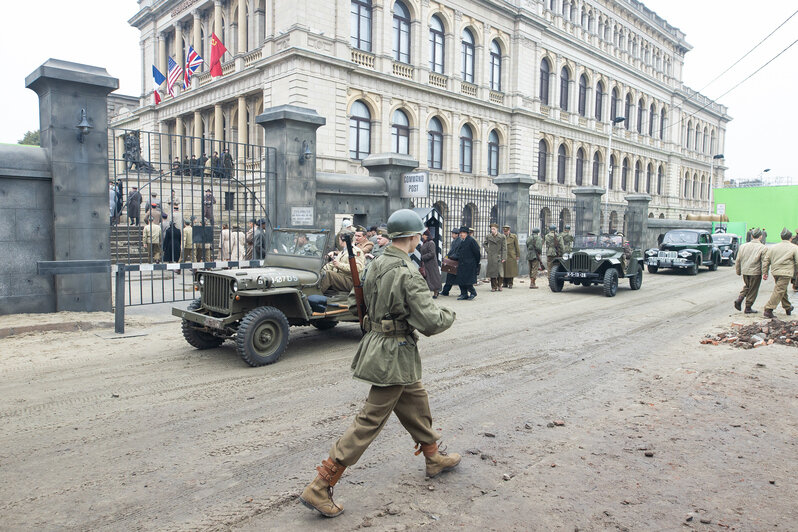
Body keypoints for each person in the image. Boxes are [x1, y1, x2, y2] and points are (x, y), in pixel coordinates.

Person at [299, 209, 458, 518]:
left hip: (383, 346)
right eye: (419, 235)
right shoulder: (407, 272)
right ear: (412, 237)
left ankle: (433, 456)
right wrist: (449, 315)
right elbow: (429, 321)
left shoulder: (376, 263)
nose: (420, 239)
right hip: (393, 353)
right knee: (369, 421)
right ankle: (321, 484)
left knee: (416, 399)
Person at [762, 227, 798, 318]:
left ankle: (788, 307)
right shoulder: (794, 248)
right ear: (790, 238)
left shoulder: (773, 247)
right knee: (779, 290)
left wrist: (765, 272)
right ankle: (768, 309)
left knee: (782, 289)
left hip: (775, 272)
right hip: (786, 273)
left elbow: (766, 260)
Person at [734, 228, 766, 314]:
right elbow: (764, 262)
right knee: (753, 289)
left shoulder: (743, 246)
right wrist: (765, 272)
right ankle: (748, 307)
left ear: (751, 236)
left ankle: (740, 298)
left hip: (745, 271)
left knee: (747, 286)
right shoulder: (763, 248)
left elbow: (738, 260)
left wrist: (738, 270)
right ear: (760, 236)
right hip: (755, 272)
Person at [455, 226, 481, 300]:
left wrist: (475, 263)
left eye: (462, 233)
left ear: (466, 233)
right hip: (462, 264)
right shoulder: (462, 241)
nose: (461, 234)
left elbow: (477, 253)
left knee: (468, 281)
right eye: (460, 233)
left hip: (470, 264)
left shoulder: (471, 241)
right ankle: (464, 294)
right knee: (460, 280)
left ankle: (473, 292)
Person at [484, 223, 507, 292]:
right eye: (491, 229)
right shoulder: (488, 236)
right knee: (492, 272)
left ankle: (500, 285)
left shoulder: (502, 237)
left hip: (499, 256)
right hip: (491, 256)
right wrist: (488, 251)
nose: (492, 230)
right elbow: (485, 244)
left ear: (497, 229)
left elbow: (504, 248)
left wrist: (504, 257)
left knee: (500, 272)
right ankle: (494, 286)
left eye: (494, 229)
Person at [420, 230, 442, 298]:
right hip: (426, 263)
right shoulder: (425, 242)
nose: (422, 236)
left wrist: (423, 257)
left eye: (423, 235)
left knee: (433, 279)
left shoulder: (431, 243)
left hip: (431, 264)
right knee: (427, 279)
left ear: (426, 235)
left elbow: (432, 253)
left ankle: (436, 292)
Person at [439, 229, 461, 297]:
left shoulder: (459, 241)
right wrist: (447, 256)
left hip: (456, 261)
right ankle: (445, 291)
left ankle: (464, 292)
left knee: (458, 278)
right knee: (450, 277)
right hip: (452, 261)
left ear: (457, 234)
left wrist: (450, 257)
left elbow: (457, 252)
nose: (452, 235)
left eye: (453, 234)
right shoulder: (454, 241)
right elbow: (451, 251)